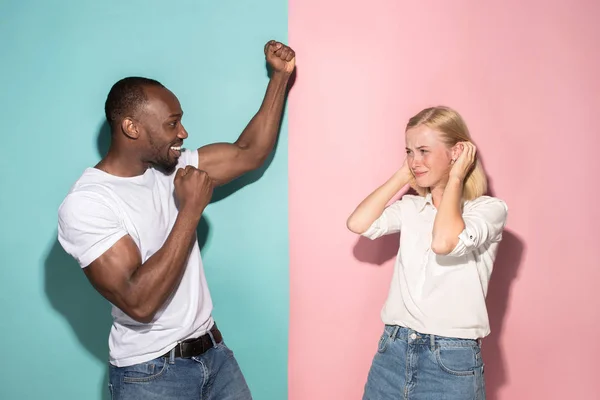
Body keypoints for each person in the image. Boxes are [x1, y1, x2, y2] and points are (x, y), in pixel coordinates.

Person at [57, 40, 295, 400]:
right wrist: (190, 210)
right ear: (132, 128)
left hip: (215, 355)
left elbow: (249, 153)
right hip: (152, 374)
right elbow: (139, 301)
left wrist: (279, 78)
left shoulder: (171, 167)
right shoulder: (88, 204)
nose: (182, 133)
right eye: (172, 123)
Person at [347, 106, 508, 400]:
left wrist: (457, 178)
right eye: (409, 151)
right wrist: (402, 175)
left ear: (457, 151)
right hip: (392, 350)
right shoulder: (411, 208)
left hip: (450, 361)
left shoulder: (487, 210)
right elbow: (358, 223)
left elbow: (443, 242)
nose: (415, 161)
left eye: (423, 150)